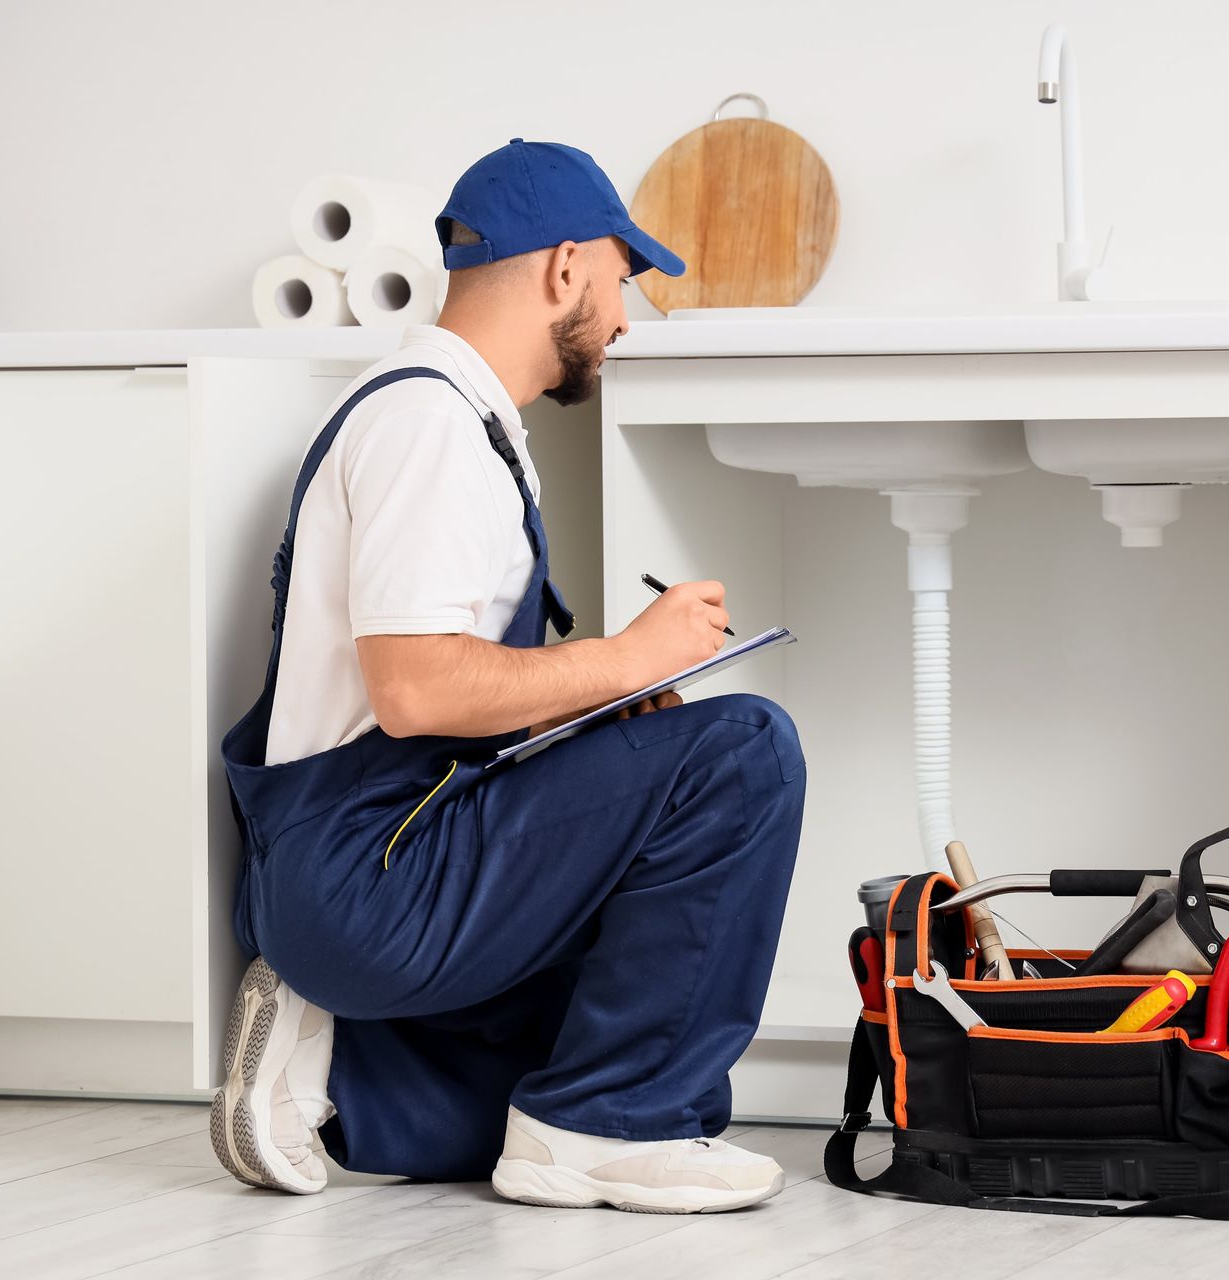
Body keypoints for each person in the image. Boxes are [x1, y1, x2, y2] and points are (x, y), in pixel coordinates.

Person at [209, 140, 806, 1215]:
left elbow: (444, 701)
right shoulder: (428, 424)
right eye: (625, 282)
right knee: (745, 751)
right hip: (369, 871)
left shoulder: (462, 419)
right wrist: (624, 657)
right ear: (564, 268)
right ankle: (606, 1124)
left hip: (373, 864)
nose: (626, 318)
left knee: (528, 1090)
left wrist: (602, 700)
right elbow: (416, 692)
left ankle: (331, 1067)